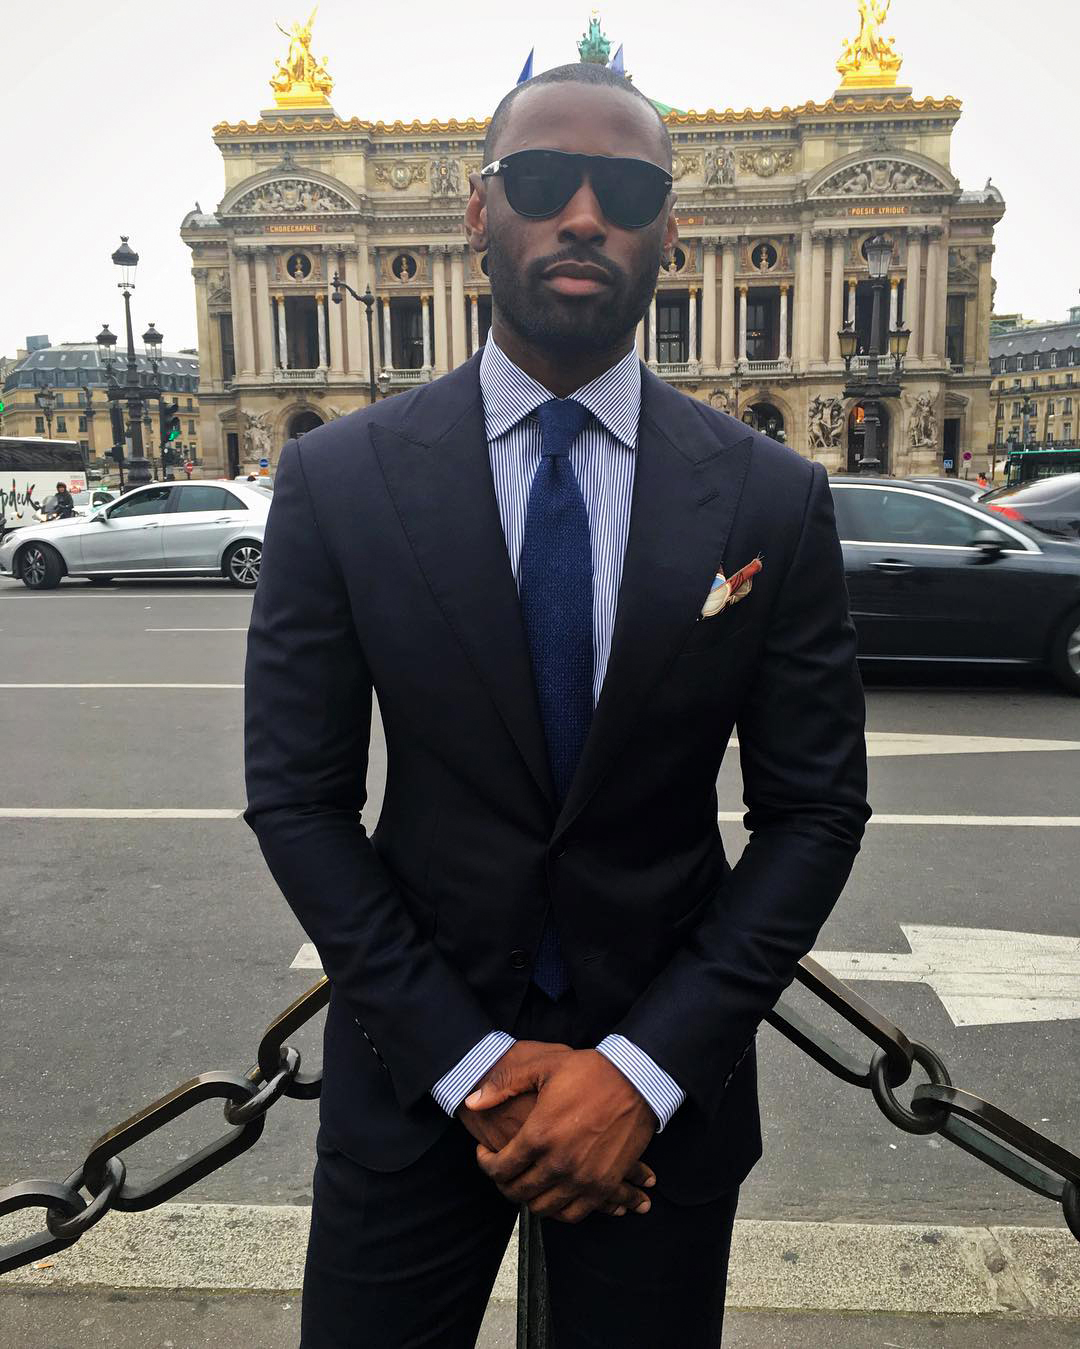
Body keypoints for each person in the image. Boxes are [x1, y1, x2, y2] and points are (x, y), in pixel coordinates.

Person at [244, 62, 870, 1348]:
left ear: (668, 233)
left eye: (627, 188)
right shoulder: (338, 479)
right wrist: (470, 1064)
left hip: (663, 1092)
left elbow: (815, 809)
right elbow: (298, 799)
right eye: (541, 181)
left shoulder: (768, 495)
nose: (584, 213)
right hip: (417, 1085)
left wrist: (641, 1069)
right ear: (478, 215)